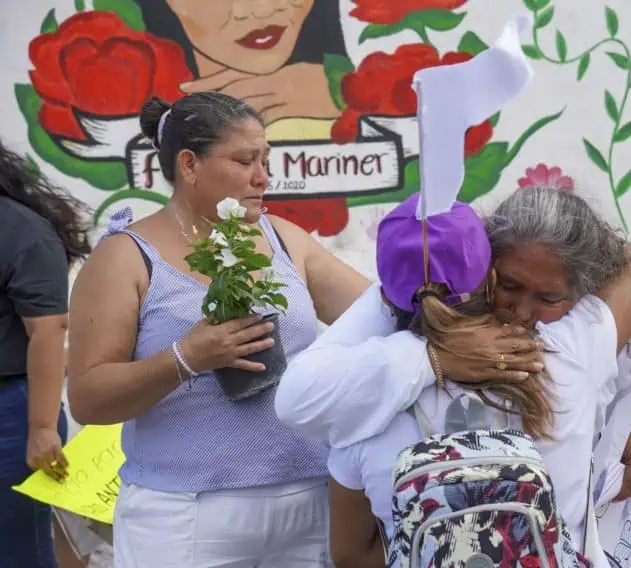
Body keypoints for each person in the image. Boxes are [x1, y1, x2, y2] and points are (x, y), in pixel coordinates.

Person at [67, 91, 371, 567]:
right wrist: (187, 357)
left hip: (309, 499)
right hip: (184, 515)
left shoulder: (284, 238)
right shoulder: (126, 256)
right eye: (245, 159)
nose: (263, 176)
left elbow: (378, 314)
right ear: (190, 165)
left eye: (266, 159)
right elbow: (87, 397)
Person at [314, 189, 631, 567]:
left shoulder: (363, 393)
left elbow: (351, 553)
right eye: (510, 286)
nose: (522, 312)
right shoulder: (574, 352)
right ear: (483, 272)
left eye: (547, 298)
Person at [0, 140, 90, 567]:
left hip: (12, 412)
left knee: (18, 550)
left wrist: (40, 427)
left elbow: (49, 330)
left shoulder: (21, 230)